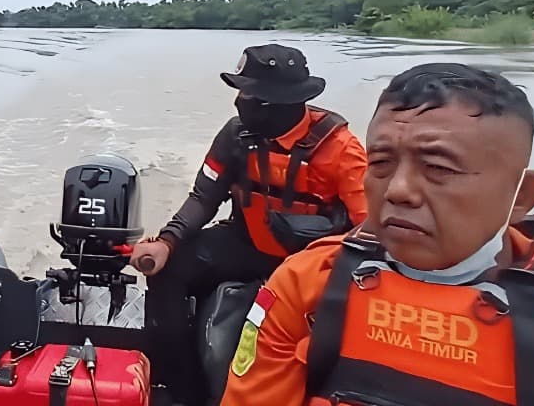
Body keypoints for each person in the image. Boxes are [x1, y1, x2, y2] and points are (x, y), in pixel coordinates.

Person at [219, 62, 534, 406]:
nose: (398, 190)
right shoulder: (306, 283)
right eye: (381, 163)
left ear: (521, 195)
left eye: (439, 169)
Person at [129, 43, 369, 405]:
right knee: (168, 271)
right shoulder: (235, 136)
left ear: (284, 102)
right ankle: (182, 388)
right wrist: (166, 242)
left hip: (311, 262)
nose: (242, 101)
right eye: (241, 91)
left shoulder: (341, 150)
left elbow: (370, 229)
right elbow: (203, 198)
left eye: (251, 93)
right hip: (247, 242)